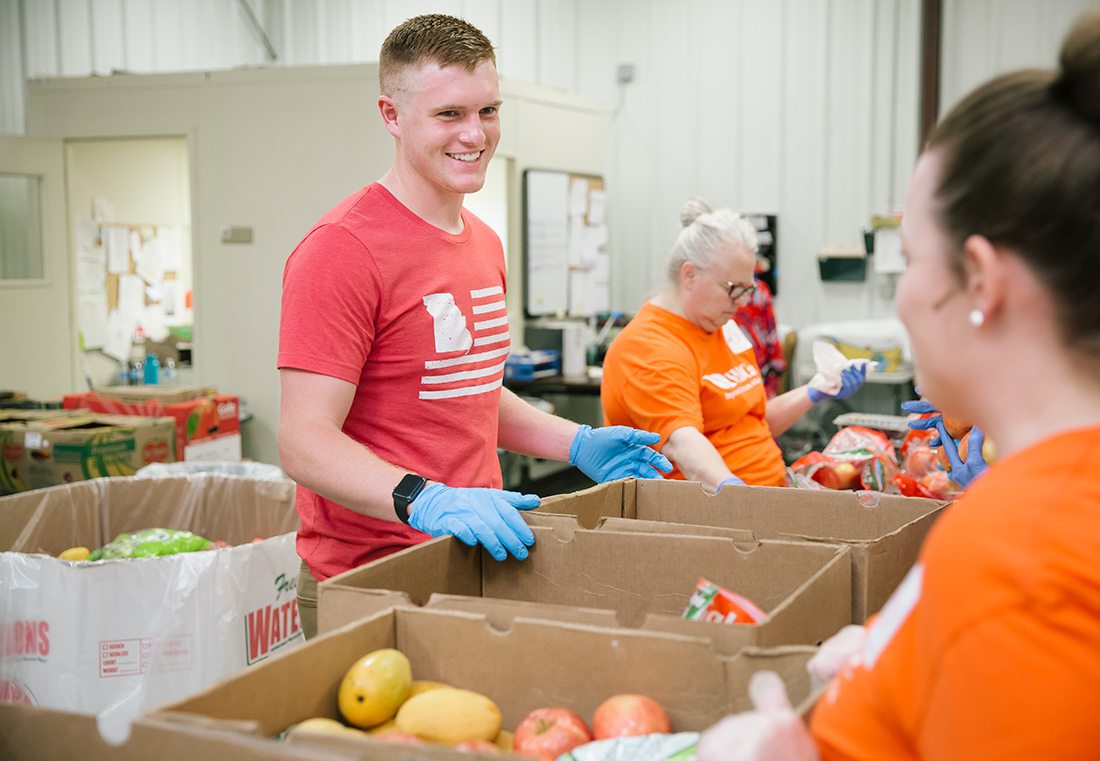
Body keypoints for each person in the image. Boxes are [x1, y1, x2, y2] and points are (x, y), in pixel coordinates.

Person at [699, 9, 1100, 759]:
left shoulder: (1023, 558)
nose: (902, 298)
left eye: (913, 259)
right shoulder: (1025, 515)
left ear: (979, 279)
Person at [276, 14, 670, 638]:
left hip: (480, 559)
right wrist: (424, 499)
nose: (475, 134)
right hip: (373, 580)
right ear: (390, 114)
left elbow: (468, 389)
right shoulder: (342, 250)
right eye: (449, 114)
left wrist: (575, 442)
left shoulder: (482, 241)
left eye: (488, 110)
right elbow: (303, 440)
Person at [600, 198, 866, 491]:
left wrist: (815, 390)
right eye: (733, 289)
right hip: (705, 513)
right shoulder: (648, 346)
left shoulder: (722, 327)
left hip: (766, 492)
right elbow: (683, 445)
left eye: (747, 289)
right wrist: (737, 496)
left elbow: (753, 420)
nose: (741, 303)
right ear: (690, 275)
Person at [733, 258, 786, 399]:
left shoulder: (728, 292)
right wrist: (777, 362)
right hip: (757, 366)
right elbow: (771, 330)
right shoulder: (760, 290)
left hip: (735, 370)